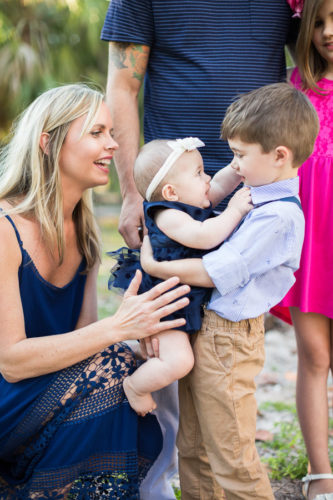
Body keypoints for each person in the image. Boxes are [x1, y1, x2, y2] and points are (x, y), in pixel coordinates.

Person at [101, 5, 299, 497]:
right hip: (173, 196)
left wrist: (237, 190)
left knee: (223, 417)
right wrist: (132, 194)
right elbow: (123, 83)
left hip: (245, 193)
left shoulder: (274, 211)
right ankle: (153, 483)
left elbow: (312, 58)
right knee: (184, 412)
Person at [0, 83, 191, 499]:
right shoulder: (4, 230)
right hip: (9, 396)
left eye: (111, 132)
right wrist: (120, 328)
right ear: (48, 142)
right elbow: (11, 362)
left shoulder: (85, 236)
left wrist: (144, 340)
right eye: (97, 132)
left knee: (131, 366)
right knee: (116, 368)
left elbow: (85, 343)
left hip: (49, 391)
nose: (113, 144)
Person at [140, 83, 319, 499]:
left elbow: (216, 270)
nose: (234, 165)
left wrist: (156, 266)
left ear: (279, 156)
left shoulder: (277, 217)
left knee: (231, 454)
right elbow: (219, 186)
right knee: (195, 447)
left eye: (240, 154)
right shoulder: (256, 191)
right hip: (210, 330)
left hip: (230, 340)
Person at [108, 137, 252, 417]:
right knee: (180, 362)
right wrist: (235, 210)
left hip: (177, 299)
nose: (207, 177)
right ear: (171, 191)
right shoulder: (166, 215)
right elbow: (204, 236)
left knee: (181, 356)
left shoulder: (186, 202)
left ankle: (133, 355)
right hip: (163, 304)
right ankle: (135, 386)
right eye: (198, 173)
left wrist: (239, 166)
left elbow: (220, 184)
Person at [270, 1, 333, 498]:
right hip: (312, 247)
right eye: (319, 23)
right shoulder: (294, 93)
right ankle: (320, 470)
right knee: (313, 355)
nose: (328, 33)